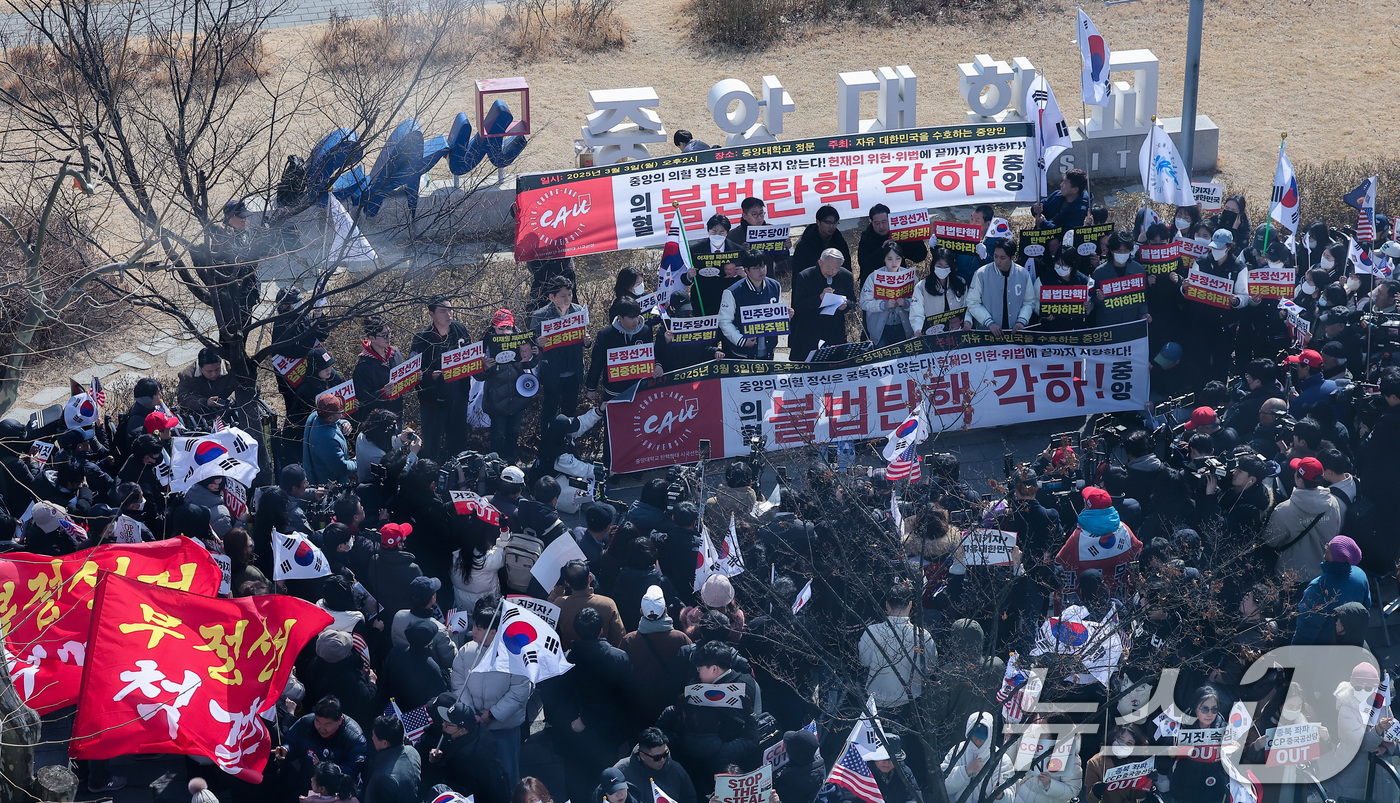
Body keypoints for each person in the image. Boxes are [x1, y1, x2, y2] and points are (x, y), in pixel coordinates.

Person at [451, 598, 531, 785]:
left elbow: (520, 691)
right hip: (475, 726)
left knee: (507, 774)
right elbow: (458, 683)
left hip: (504, 728)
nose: (473, 632)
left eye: (479, 629)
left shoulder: (515, 655)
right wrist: (471, 713)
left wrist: (493, 714)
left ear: (493, 632)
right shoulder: (466, 651)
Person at [620, 586, 692, 732]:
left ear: (641, 611)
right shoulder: (681, 639)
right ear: (665, 610)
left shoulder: (629, 640)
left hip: (639, 709)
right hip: (671, 707)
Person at [412, 295, 473, 461]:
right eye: (443, 310)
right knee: (431, 444)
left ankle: (457, 477)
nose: (449, 314)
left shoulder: (461, 330)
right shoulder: (422, 338)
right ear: (431, 314)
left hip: (458, 397)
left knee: (458, 442)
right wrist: (431, 375)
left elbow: (470, 359)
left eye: (451, 309)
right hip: (432, 401)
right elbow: (414, 372)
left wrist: (480, 363)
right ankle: (430, 479)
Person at [858, 582, 936, 711]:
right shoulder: (922, 635)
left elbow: (864, 661)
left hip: (878, 700)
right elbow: (931, 667)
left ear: (887, 605)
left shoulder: (871, 632)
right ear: (910, 605)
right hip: (912, 703)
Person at [1263, 456, 1343, 582]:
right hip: (1321, 575)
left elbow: (1269, 541)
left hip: (1290, 577)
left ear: (1300, 481)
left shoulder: (1284, 510)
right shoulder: (1333, 503)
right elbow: (1335, 532)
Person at [424, 694, 512, 803]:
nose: (443, 725)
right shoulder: (478, 733)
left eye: (448, 724)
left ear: (462, 730)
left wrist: (437, 763)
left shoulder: (467, 759)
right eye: (443, 721)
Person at [482, 309, 540, 463]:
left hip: (517, 398)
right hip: (496, 401)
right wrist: (485, 367)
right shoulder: (486, 345)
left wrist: (536, 354)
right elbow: (478, 376)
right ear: (493, 327)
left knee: (514, 431)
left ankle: (510, 461)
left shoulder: (521, 341)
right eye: (501, 328)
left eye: (508, 327)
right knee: (497, 434)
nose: (505, 332)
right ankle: (495, 464)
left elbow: (529, 364)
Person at [531, 277, 591, 421]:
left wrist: (586, 341)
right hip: (552, 372)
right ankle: (548, 441)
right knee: (549, 411)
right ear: (552, 297)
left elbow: (584, 338)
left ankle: (568, 439)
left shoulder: (578, 311)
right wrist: (538, 342)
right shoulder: (540, 316)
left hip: (573, 370)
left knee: (569, 410)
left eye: (569, 294)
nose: (568, 299)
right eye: (563, 296)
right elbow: (531, 342)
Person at [1292, 535, 1370, 645]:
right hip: (1349, 641)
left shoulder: (1319, 586)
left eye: (1329, 546)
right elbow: (1365, 608)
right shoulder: (1360, 575)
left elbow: (1308, 626)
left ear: (1335, 557)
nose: (1326, 545)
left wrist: (1295, 656)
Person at [281, 696, 369, 786]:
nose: (322, 728)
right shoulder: (305, 723)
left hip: (340, 790)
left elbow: (354, 769)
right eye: (318, 721)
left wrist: (325, 770)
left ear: (340, 721)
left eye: (328, 724)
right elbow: (291, 741)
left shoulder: (354, 737)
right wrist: (286, 750)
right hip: (309, 784)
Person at [718, 254, 789, 360]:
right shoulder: (733, 292)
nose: (761, 271)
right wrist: (741, 340)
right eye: (756, 268)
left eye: (763, 266)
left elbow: (776, 315)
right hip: (742, 354)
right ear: (746, 270)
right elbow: (724, 322)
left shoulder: (774, 286)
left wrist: (786, 315)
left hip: (768, 349)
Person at [790, 248, 855, 361]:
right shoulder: (805, 276)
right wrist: (819, 298)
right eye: (828, 267)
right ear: (820, 262)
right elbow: (798, 305)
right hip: (809, 330)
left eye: (836, 269)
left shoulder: (846, 276)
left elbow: (852, 301)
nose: (831, 272)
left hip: (834, 330)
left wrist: (845, 305)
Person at [586, 298, 658, 400]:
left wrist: (658, 365)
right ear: (620, 317)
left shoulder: (645, 331)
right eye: (631, 318)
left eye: (637, 316)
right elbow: (597, 362)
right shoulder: (606, 335)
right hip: (614, 391)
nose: (635, 321)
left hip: (639, 388)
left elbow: (651, 355)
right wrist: (591, 388)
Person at [966, 238, 1037, 336]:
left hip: (1014, 333)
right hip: (987, 333)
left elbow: (1029, 302)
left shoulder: (1023, 274)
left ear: (1012, 257)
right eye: (995, 256)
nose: (998, 261)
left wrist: (1022, 320)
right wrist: (989, 322)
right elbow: (972, 302)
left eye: (1002, 258)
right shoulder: (981, 274)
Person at [549, 559, 626, 648]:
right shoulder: (608, 604)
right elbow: (619, 635)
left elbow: (547, 610)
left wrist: (559, 587)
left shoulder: (560, 604)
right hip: (601, 656)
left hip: (570, 657)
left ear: (567, 583)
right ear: (590, 578)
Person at [614, 728, 696, 803]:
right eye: (657, 757)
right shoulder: (620, 771)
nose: (662, 760)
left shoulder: (677, 771)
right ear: (642, 755)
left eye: (665, 754)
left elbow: (690, 798)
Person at [857, 203, 928, 288]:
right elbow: (864, 264)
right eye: (877, 223)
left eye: (884, 222)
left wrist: (914, 236)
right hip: (875, 285)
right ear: (871, 222)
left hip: (898, 283)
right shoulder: (867, 237)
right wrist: (882, 250)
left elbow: (920, 256)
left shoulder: (899, 233)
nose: (881, 226)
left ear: (890, 219)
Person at [686, 214, 746, 315]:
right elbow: (684, 279)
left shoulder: (739, 251)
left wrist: (744, 275)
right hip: (704, 299)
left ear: (727, 233)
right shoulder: (695, 251)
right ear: (708, 231)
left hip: (730, 299)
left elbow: (748, 277)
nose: (717, 235)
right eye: (714, 231)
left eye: (721, 232)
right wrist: (689, 276)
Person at [860, 242, 916, 347]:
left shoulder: (910, 276)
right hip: (881, 328)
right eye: (890, 259)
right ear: (884, 259)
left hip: (903, 327)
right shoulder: (873, 277)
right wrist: (883, 305)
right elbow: (864, 302)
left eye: (898, 258)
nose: (894, 262)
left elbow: (918, 300)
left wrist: (906, 303)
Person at [352, 316, 404, 424]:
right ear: (372, 337)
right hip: (377, 423)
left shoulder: (395, 352)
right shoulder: (363, 367)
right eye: (384, 335)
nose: (388, 337)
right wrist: (382, 393)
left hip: (397, 415)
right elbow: (362, 400)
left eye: (389, 333)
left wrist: (413, 377)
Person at [1093, 232, 1150, 326]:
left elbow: (1143, 297)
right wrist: (1099, 298)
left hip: (1132, 321)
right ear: (1111, 250)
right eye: (1119, 251)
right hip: (1108, 323)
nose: (1122, 253)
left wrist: (1144, 314)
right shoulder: (1099, 273)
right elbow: (1092, 301)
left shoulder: (1138, 270)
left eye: (1126, 250)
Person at [361, 714, 420, 803]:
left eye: (374, 735)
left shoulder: (385, 780)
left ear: (385, 743)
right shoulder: (412, 751)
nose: (372, 738)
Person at [910, 246, 969, 334]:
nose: (942, 269)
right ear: (933, 265)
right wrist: (918, 328)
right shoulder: (922, 286)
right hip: (933, 334)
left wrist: (968, 321)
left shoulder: (960, 282)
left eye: (946, 266)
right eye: (939, 266)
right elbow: (916, 313)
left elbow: (968, 306)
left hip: (958, 332)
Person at [303, 394, 356, 486]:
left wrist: (344, 422)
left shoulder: (315, 416)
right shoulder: (326, 440)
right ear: (330, 418)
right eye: (340, 411)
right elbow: (342, 468)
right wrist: (356, 461)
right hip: (327, 487)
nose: (342, 412)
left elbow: (333, 422)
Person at [176, 347, 240, 417]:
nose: (214, 374)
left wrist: (232, 399)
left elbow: (243, 388)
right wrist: (205, 402)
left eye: (217, 369)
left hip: (227, 410)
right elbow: (182, 398)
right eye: (209, 371)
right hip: (201, 414)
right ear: (200, 368)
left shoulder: (231, 370)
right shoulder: (187, 375)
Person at [791, 205, 849, 277]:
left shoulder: (840, 242)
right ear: (818, 222)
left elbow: (847, 270)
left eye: (835, 223)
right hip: (811, 285)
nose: (831, 226)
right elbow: (798, 274)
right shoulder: (805, 245)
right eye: (828, 223)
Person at [1286, 349, 1338, 417]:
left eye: (1298, 364)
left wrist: (1298, 401)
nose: (1297, 368)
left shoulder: (1299, 402)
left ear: (1307, 368)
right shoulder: (1337, 386)